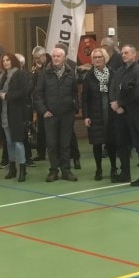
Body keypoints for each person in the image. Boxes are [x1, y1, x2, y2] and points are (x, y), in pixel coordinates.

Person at [110, 45, 139, 185]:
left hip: (135, 113)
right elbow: (113, 88)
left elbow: (136, 92)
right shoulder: (119, 71)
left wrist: (120, 103)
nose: (123, 55)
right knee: (122, 144)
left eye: (126, 53)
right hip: (120, 114)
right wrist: (114, 103)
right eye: (122, 53)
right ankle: (125, 173)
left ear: (134, 54)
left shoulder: (138, 71)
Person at [35, 46, 79, 182]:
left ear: (64, 58)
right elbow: (38, 94)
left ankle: (66, 170)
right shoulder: (44, 74)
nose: (55, 58)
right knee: (52, 144)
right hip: (50, 115)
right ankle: (53, 171)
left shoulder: (71, 73)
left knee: (65, 144)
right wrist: (43, 111)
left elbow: (74, 92)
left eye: (58, 56)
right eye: (54, 56)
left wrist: (74, 108)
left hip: (67, 115)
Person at [82, 47, 117, 180]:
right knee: (97, 144)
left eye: (99, 57)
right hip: (95, 113)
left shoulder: (113, 74)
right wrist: (86, 116)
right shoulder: (89, 76)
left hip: (111, 113)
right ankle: (99, 169)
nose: (97, 59)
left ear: (105, 58)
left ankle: (114, 168)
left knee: (111, 142)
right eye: (95, 57)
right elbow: (85, 98)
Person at [0, 53, 33, 181]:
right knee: (9, 142)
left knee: (18, 142)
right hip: (4, 113)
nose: (5, 62)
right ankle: (12, 168)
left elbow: (24, 92)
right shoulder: (3, 76)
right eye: (3, 60)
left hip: (16, 113)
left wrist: (7, 96)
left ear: (13, 61)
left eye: (8, 60)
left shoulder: (20, 74)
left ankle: (23, 169)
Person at [30, 46, 51, 162]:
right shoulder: (36, 68)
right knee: (40, 130)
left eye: (37, 58)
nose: (36, 60)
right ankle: (41, 153)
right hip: (40, 103)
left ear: (43, 56)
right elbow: (33, 85)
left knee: (51, 130)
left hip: (50, 102)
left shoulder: (50, 65)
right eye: (34, 58)